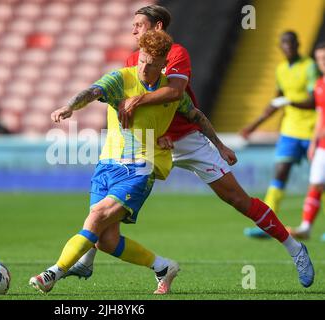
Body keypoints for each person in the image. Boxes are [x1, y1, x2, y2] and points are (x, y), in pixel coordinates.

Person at [63, 7, 315, 289]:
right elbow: (124, 104)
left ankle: (295, 249)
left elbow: (175, 92)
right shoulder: (133, 59)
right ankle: (86, 261)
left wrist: (218, 145)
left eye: (139, 25)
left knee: (238, 200)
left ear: (157, 26)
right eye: (132, 25)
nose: (133, 30)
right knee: (110, 199)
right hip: (150, 142)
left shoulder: (177, 53)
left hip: (186, 138)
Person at [30, 31, 184, 295]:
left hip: (139, 169)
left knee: (96, 216)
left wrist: (216, 144)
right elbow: (93, 91)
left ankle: (54, 272)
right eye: (142, 59)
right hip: (106, 166)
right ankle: (163, 267)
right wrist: (70, 107)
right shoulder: (121, 78)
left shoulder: (170, 91)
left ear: (163, 64)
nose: (144, 66)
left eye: (152, 62)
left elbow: (194, 116)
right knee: (107, 241)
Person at [240, 31, 319, 238]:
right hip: (290, 130)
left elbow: (314, 101)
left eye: (291, 43)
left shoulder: (309, 66)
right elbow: (275, 102)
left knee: (320, 178)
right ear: (280, 47)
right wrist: (253, 125)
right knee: (280, 172)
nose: (288, 47)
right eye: (284, 44)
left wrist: (290, 102)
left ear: (298, 44)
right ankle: (266, 224)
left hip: (313, 129)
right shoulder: (281, 70)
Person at [289, 42, 325, 240]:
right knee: (316, 184)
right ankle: (306, 227)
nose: (322, 62)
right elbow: (321, 115)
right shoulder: (319, 85)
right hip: (322, 145)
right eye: (319, 59)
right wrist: (313, 143)